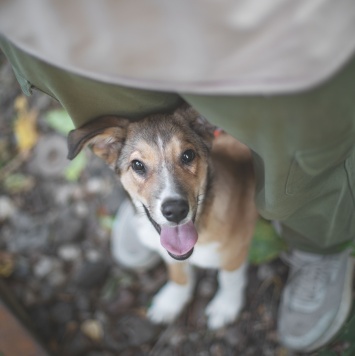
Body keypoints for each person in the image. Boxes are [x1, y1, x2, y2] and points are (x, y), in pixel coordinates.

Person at [1, 1, 355, 352]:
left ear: (206, 141)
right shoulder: (115, 145)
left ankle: (318, 239)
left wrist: (229, 295)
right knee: (114, 78)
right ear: (107, 151)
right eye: (140, 167)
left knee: (286, 116)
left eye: (186, 157)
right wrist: (179, 287)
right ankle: (162, 249)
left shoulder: (217, 205)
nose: (170, 195)